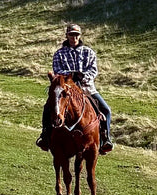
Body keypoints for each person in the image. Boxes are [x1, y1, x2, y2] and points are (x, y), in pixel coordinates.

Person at [44, 23, 114, 154]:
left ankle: (106, 139)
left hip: (87, 89)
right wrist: (71, 77)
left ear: (80, 36)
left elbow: (93, 71)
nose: (74, 37)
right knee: (47, 109)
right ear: (67, 35)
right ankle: (45, 137)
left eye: (76, 35)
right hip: (66, 89)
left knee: (106, 110)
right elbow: (57, 70)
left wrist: (82, 77)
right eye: (71, 34)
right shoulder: (59, 54)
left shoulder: (89, 52)